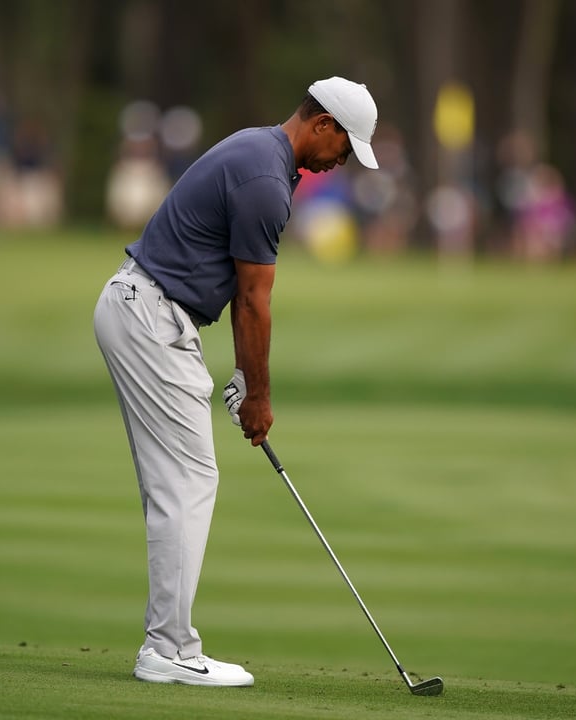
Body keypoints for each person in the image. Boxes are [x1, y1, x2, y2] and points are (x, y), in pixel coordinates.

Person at [93, 76, 380, 687]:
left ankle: (165, 644)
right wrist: (258, 396)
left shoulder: (260, 152)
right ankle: (168, 650)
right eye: (346, 147)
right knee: (190, 480)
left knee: (174, 484)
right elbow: (253, 302)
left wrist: (240, 376)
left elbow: (222, 282)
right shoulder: (265, 181)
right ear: (323, 122)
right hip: (151, 315)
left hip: (148, 310)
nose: (342, 161)